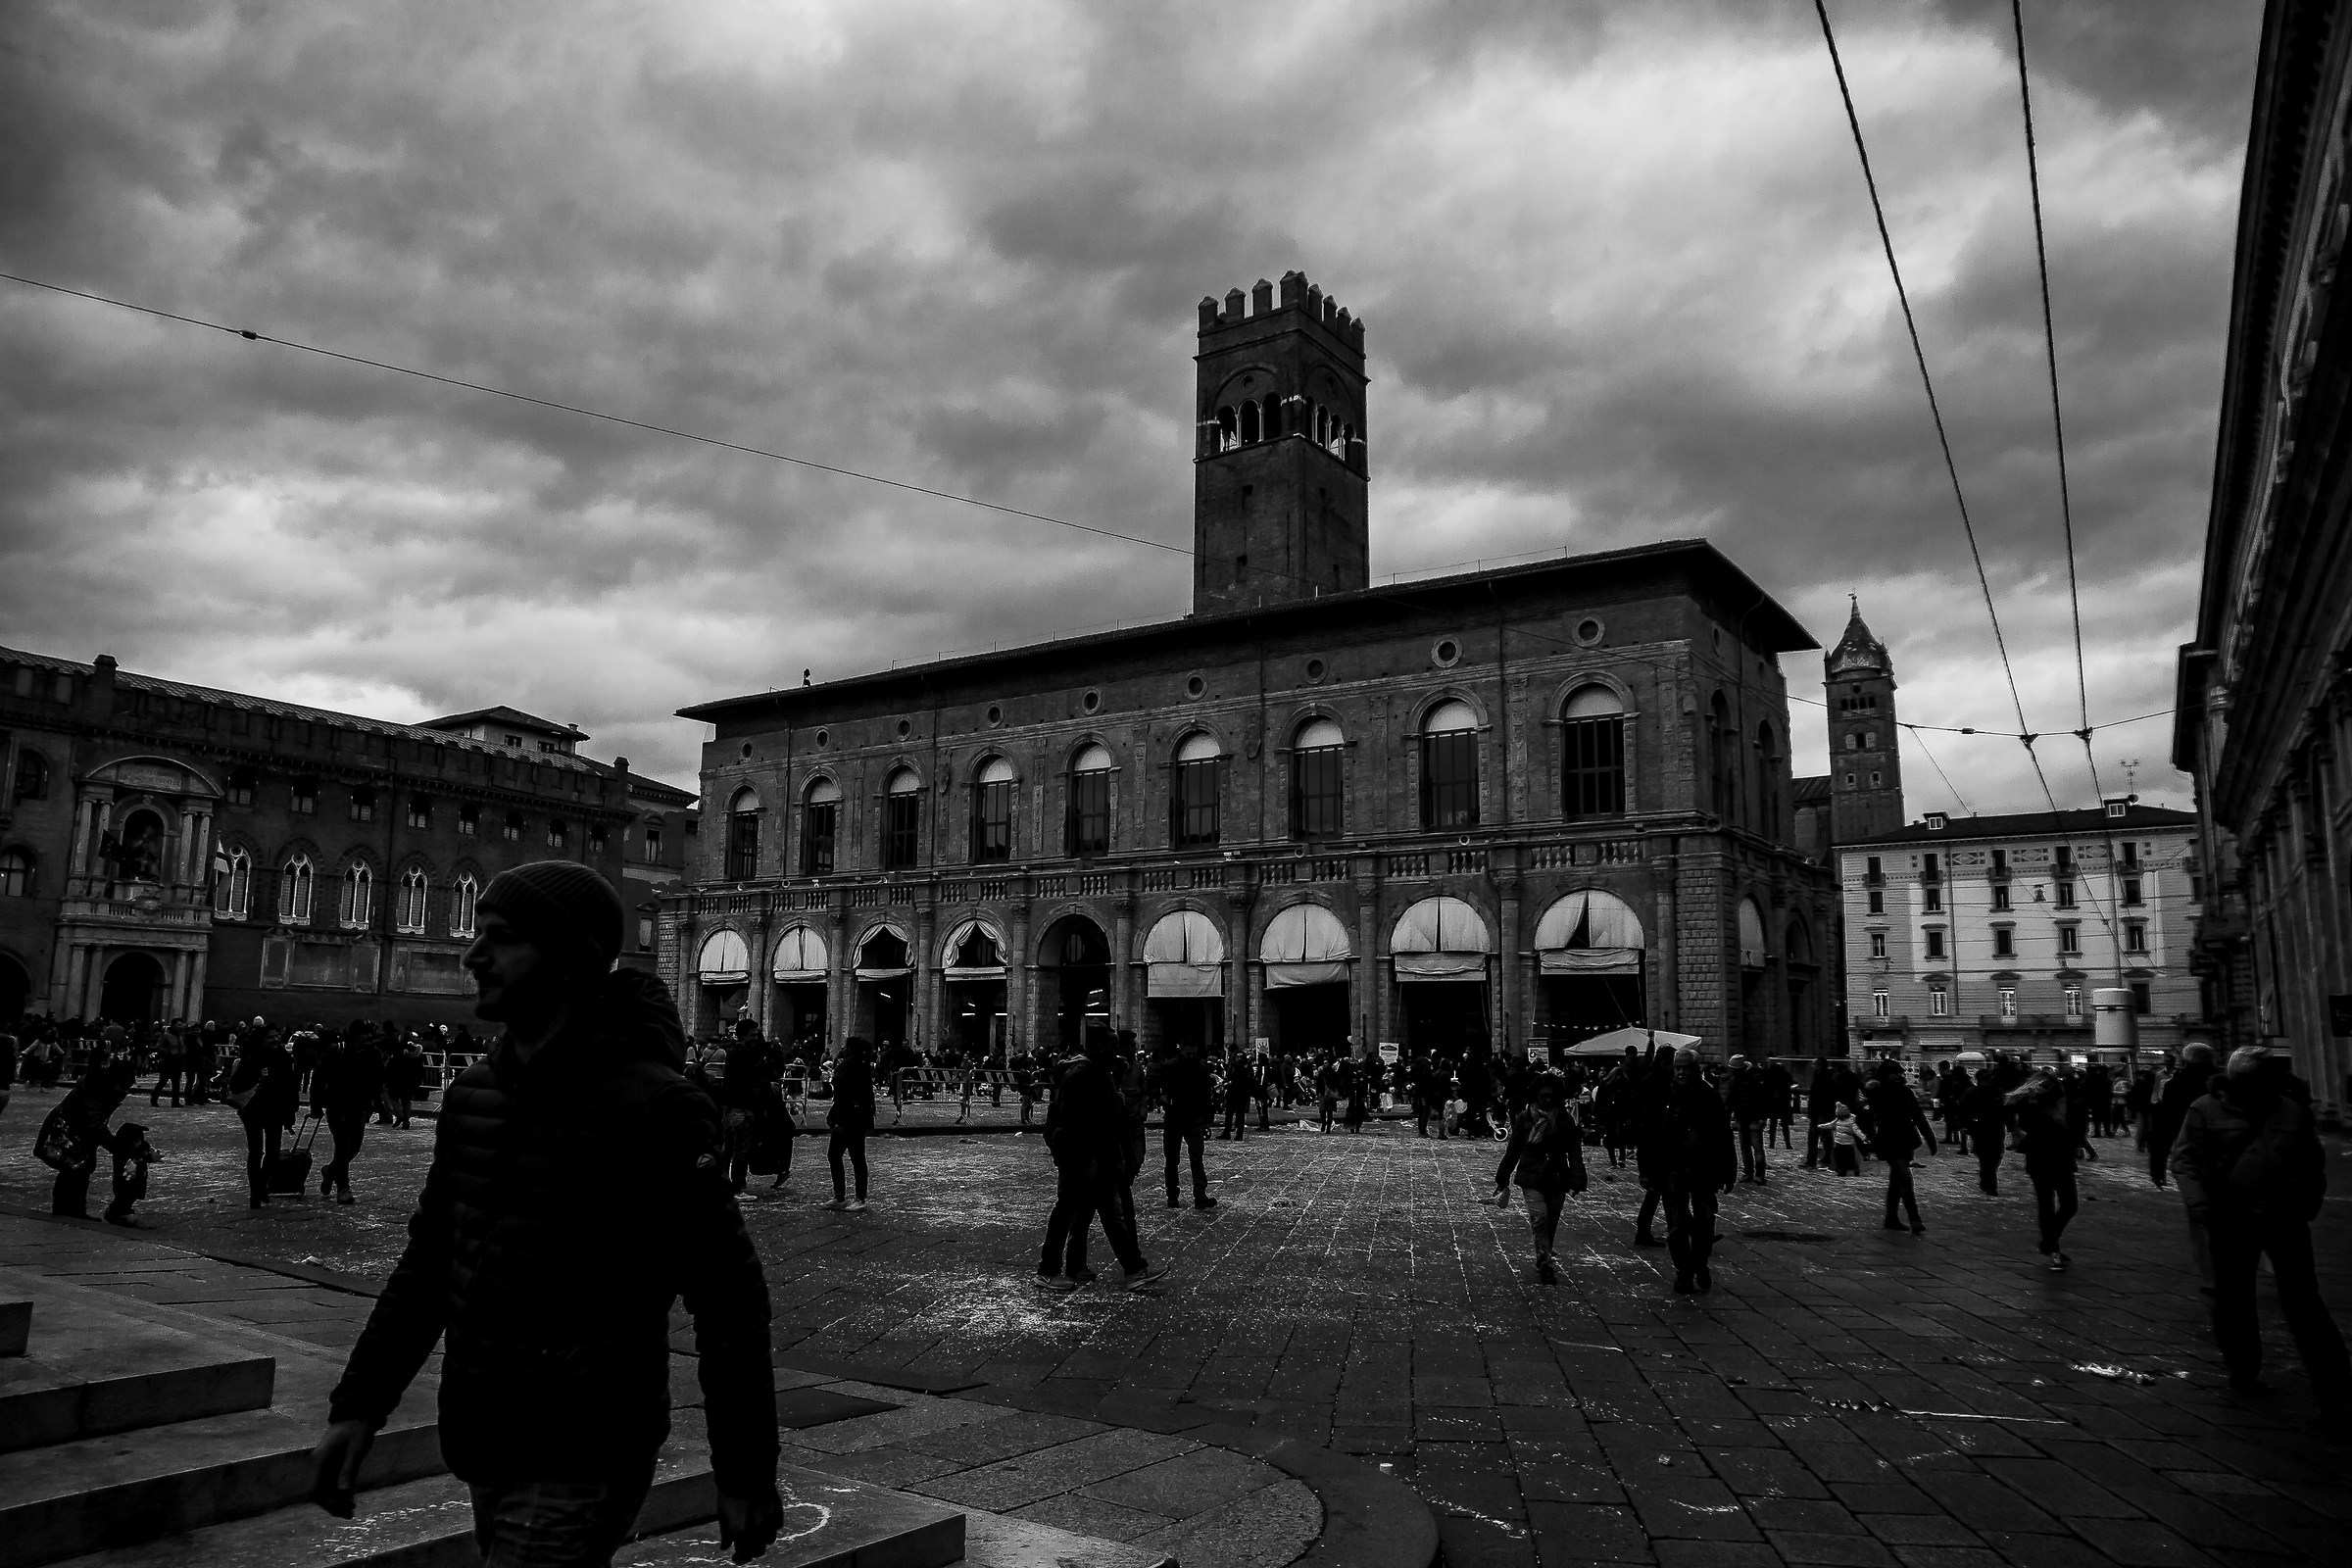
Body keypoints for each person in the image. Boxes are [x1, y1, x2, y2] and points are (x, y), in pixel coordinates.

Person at [311, 860, 782, 1564]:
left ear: (567, 959)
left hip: (587, 1449)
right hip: (481, 1434)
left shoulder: (657, 1107)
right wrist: (359, 1404)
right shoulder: (472, 1096)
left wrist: (744, 1472)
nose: (473, 956)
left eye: (500, 939)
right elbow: (431, 1262)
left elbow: (729, 1303)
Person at [2169, 1048, 2350, 1409]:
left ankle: (2333, 1380)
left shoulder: (2288, 1109)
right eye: (2266, 1075)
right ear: (2242, 1079)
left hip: (2285, 1216)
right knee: (2235, 1295)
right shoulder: (2205, 1108)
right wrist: (2201, 1204)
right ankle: (2243, 1365)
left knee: (2303, 1297)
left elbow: (2311, 1159)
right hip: (2231, 1216)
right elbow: (2185, 1159)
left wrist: (2309, 1199)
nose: (2274, 1081)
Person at [1036, 1031, 1167, 1294]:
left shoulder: (1098, 1074)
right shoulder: (1082, 1076)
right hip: (1082, 1157)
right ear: (1097, 1047)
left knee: (1111, 1214)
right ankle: (1048, 1271)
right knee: (1067, 1212)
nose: (1117, 1051)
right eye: (1112, 1046)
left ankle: (1134, 1269)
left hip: (1099, 1156)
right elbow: (1073, 1122)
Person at [1644, 1048, 1737, 1295]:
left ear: (1696, 1069)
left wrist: (1729, 1170)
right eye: (1678, 1068)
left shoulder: (1709, 1096)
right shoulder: (1664, 1094)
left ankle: (1700, 1263)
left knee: (1705, 1221)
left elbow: (1723, 1135)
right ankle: (1684, 1272)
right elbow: (1649, 1133)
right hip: (1671, 1167)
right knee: (1676, 1224)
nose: (1682, 1072)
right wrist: (1647, 1170)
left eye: (1686, 1068)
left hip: (1703, 1169)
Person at [1494, 1074, 1586, 1285]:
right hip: (1531, 1176)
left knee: (1551, 1220)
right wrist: (1503, 1176)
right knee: (1540, 1219)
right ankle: (1545, 1262)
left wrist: (1577, 1176)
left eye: (1550, 1096)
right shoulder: (1525, 1118)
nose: (1546, 1100)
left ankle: (1544, 1252)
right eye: (1543, 1096)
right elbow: (1513, 1149)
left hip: (1557, 1175)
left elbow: (1574, 1150)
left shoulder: (1564, 1119)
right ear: (1536, 1096)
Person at [2149, 1042, 2218, 1290]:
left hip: (2193, 1157)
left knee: (2199, 1215)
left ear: (2185, 1062)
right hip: (2229, 1157)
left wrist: (2157, 1164)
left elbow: (2165, 1125)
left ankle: (2212, 1277)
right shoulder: (2226, 1082)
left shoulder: (2177, 1085)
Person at [34, 1057, 133, 1217]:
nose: (133, 1081)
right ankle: (66, 1210)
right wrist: (113, 1144)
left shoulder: (104, 1087)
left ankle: (74, 1210)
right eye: (130, 1077)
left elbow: (95, 1121)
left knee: (80, 1169)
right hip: (66, 1131)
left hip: (75, 1132)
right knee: (72, 1169)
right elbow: (92, 1121)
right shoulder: (99, 1088)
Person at [2006, 1070, 2079, 1270]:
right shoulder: (2037, 1107)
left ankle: (2050, 1243)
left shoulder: (2036, 1106)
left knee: (2052, 1204)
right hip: (2054, 1158)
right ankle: (2052, 1247)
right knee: (2064, 1204)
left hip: (2041, 1158)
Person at [1863, 1058, 1936, 1235]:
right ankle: (1914, 1218)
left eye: (1899, 1072)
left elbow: (1918, 1116)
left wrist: (1930, 1138)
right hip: (1888, 1140)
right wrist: (1869, 1138)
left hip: (1905, 1139)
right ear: (1885, 1074)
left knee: (1896, 1181)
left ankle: (1891, 1218)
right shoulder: (1877, 1093)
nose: (1898, 1075)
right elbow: (1867, 1118)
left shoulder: (1905, 1092)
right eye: (1894, 1072)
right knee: (1905, 1177)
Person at [310, 1031, 383, 1205]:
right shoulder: (336, 1051)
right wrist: (315, 1105)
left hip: (358, 1105)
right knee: (342, 1146)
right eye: (364, 1036)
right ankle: (343, 1187)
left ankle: (331, 1171)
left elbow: (378, 1079)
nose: (367, 1041)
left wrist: (372, 1102)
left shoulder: (372, 1053)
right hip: (337, 1104)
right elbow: (319, 1078)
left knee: (355, 1146)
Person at [227, 1029, 298, 1209]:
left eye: (276, 1036)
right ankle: (255, 1192)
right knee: (256, 1151)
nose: (274, 1040)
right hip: (253, 1109)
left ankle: (260, 1185)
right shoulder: (252, 1058)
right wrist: (258, 1078)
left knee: (273, 1152)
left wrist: (291, 1111)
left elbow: (291, 1086)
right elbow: (236, 1085)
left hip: (275, 1109)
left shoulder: (283, 1057)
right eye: (270, 1037)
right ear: (261, 1040)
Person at [1157, 1039, 1215, 1209]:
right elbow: (1159, 1088)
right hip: (1175, 1116)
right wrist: (1162, 1098)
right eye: (1188, 1053)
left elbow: (1206, 1095)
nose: (1191, 1056)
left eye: (1193, 1053)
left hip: (1193, 1117)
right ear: (1181, 1050)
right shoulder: (1169, 1067)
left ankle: (1199, 1193)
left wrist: (1207, 1118)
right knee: (1172, 1158)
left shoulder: (1202, 1067)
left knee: (1196, 1156)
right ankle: (1173, 1194)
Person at [825, 1037, 876, 1211]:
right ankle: (840, 1196)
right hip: (845, 1115)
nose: (843, 1048)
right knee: (835, 1155)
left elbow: (861, 1095)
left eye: (845, 1046)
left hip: (852, 1117)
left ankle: (859, 1198)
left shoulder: (858, 1066)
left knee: (856, 1157)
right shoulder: (849, 1064)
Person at [1960, 1068, 2007, 1195]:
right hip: (1980, 1128)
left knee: (1996, 1156)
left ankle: (1987, 1178)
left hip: (1995, 1127)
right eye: (1985, 1079)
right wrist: (1965, 1125)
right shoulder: (1972, 1093)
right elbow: (1964, 1110)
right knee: (1985, 1156)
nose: (1988, 1081)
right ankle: (1990, 1184)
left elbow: (2005, 1110)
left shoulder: (1997, 1092)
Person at [107, 1121, 156, 1227]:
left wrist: (150, 1157)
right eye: (134, 1142)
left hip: (138, 1177)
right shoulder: (122, 1152)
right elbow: (124, 1166)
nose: (137, 1144)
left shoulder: (140, 1149)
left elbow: (144, 1155)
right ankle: (121, 1214)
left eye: (139, 1141)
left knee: (132, 1196)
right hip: (126, 1179)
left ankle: (119, 1211)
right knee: (124, 1195)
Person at [1219, 1049, 1255, 1142]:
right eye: (1237, 1057)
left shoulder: (1246, 1067)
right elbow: (1229, 1076)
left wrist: (1233, 1083)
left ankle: (1239, 1134)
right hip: (1232, 1092)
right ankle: (1226, 1132)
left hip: (1242, 1093)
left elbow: (1246, 1080)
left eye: (1241, 1057)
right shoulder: (1232, 1066)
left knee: (1240, 1115)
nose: (1239, 1059)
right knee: (1229, 1113)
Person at [1829, 1103, 1861, 1175]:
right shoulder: (1838, 1121)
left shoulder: (1851, 1123)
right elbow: (1830, 1125)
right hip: (1838, 1142)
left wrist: (1864, 1138)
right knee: (1839, 1157)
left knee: (1849, 1158)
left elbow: (1857, 1131)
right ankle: (1842, 1170)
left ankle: (1853, 1168)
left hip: (1848, 1143)